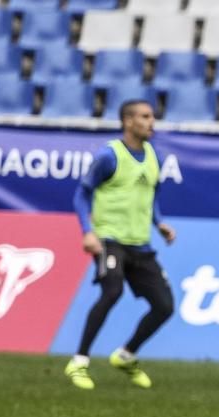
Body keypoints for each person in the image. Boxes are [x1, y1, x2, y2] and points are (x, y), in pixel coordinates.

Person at [63, 99, 176, 390]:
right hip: (109, 240)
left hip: (140, 244)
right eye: (145, 116)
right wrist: (87, 231)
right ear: (128, 122)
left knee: (164, 306)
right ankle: (79, 362)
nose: (152, 122)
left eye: (152, 117)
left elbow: (150, 197)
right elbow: (81, 194)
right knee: (112, 291)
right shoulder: (109, 156)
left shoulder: (154, 156)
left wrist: (159, 223)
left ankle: (126, 355)